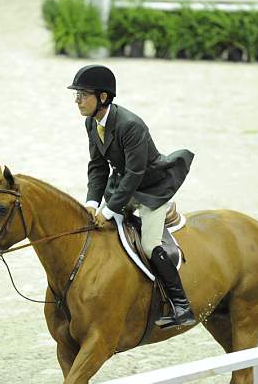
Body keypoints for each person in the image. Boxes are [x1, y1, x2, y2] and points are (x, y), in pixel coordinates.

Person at [68, 64, 196, 327]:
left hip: (151, 189)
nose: (78, 100)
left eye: (83, 94)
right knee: (100, 230)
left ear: (102, 97)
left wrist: (110, 209)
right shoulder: (92, 123)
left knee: (150, 245)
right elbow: (98, 166)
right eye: (76, 95)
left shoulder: (131, 125)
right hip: (124, 185)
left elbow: (136, 172)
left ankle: (181, 305)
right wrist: (92, 203)